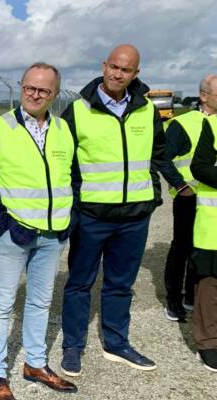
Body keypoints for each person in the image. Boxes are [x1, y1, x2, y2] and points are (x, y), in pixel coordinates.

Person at [59, 44, 180, 376]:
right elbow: (63, 161)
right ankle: (72, 346)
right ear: (104, 65)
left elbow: (158, 153)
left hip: (134, 217)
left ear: (135, 74)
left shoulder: (146, 111)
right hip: (91, 217)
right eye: (113, 66)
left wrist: (171, 188)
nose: (117, 74)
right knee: (80, 283)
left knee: (120, 284)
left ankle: (116, 343)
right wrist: (70, 206)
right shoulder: (79, 109)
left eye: (125, 70)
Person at [0, 63, 77, 399]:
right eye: (29, 87)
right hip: (13, 235)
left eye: (43, 90)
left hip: (53, 234)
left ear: (54, 94)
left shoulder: (63, 129)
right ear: (21, 87)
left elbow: (73, 177)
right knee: (2, 303)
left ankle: (35, 363)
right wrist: (3, 224)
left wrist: (69, 218)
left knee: (40, 302)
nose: (35, 94)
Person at [161, 75, 217, 321]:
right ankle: (174, 299)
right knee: (182, 248)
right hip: (189, 197)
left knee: (204, 249)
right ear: (203, 96)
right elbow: (162, 156)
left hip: (212, 200)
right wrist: (180, 185)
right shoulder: (183, 124)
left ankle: (193, 296)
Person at [189, 112, 217, 373]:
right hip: (213, 227)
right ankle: (209, 343)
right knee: (210, 287)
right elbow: (200, 167)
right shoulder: (214, 125)